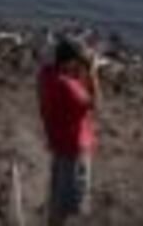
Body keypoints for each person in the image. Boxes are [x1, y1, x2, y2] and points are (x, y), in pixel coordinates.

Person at [38, 38, 101, 225]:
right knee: (65, 204)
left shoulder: (46, 76)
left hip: (58, 143)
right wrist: (92, 72)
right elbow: (95, 103)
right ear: (70, 62)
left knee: (57, 196)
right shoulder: (68, 87)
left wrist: (77, 68)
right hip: (74, 149)